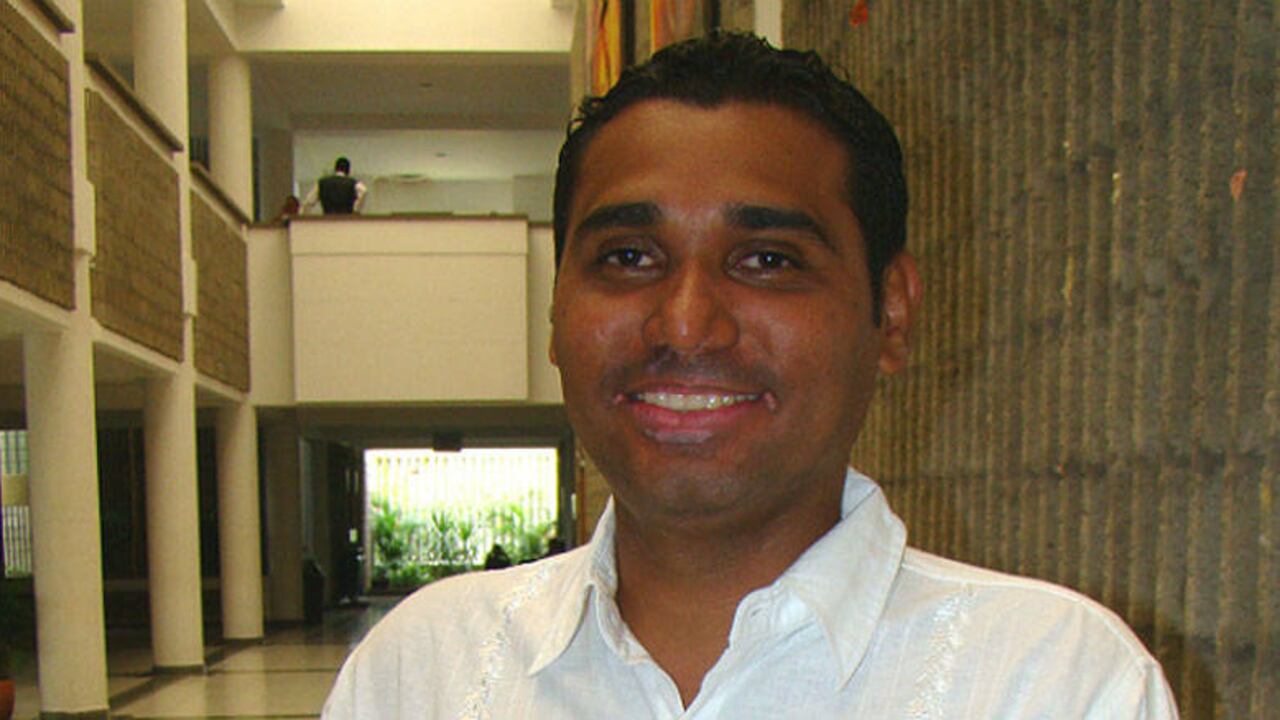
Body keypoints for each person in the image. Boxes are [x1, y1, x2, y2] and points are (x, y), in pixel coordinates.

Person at [323, 33, 1177, 718]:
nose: (685, 322)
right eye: (628, 256)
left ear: (892, 311)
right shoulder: (423, 674)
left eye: (768, 259)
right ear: (555, 312)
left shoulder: (1052, 683)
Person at [302, 156, 367, 214]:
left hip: (328, 219)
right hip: (347, 219)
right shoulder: (353, 183)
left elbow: (308, 203)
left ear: (335, 168)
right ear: (348, 170)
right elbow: (364, 190)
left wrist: (305, 217)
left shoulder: (322, 183)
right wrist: (356, 209)